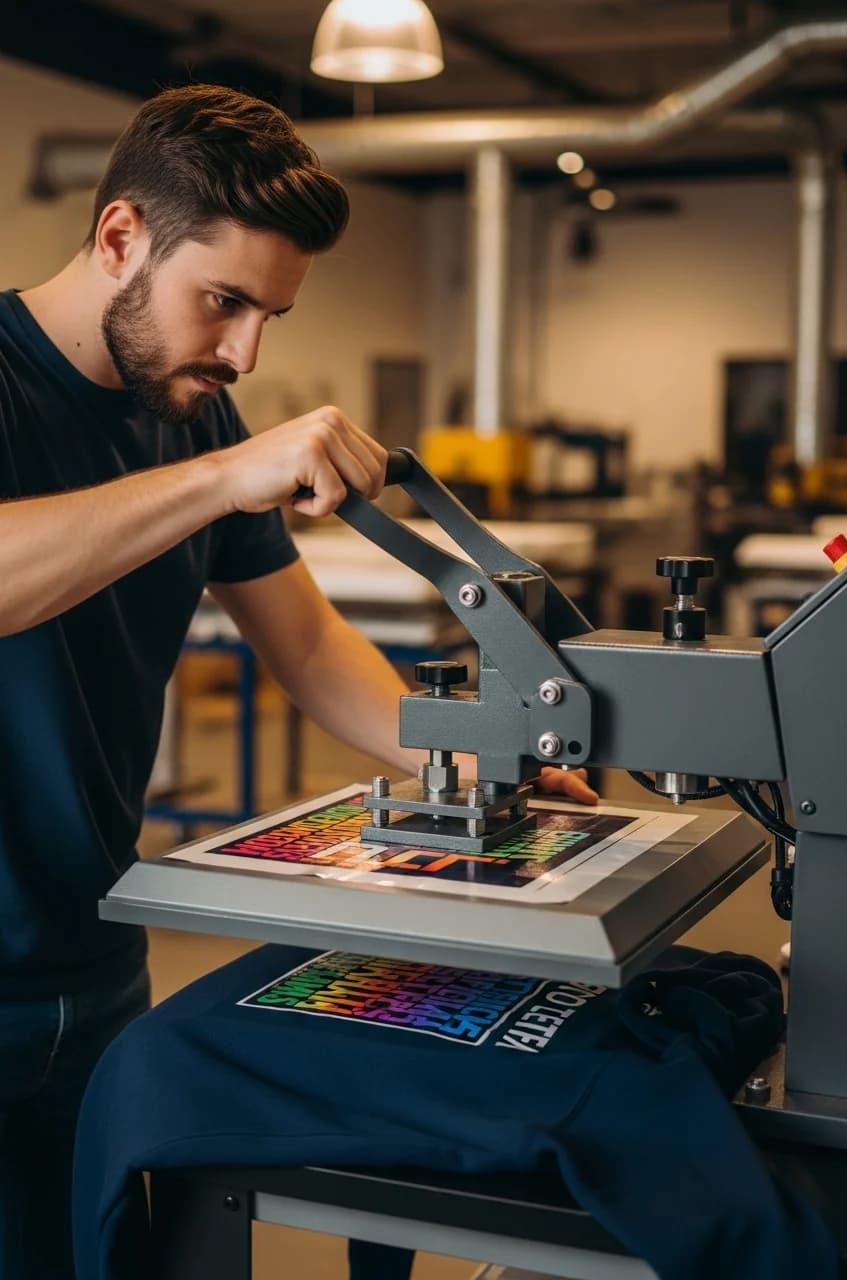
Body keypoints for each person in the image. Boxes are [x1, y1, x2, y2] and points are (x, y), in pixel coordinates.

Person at [0, 83, 597, 1280]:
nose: (242, 353)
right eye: (221, 302)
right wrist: (225, 477)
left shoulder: (188, 420)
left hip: (102, 963)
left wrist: (473, 759)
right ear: (120, 237)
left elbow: (315, 651)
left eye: (269, 314)